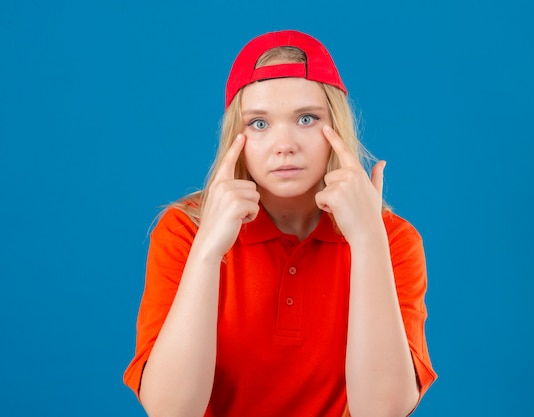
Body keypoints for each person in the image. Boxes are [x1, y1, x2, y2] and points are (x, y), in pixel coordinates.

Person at [124, 30, 436, 417]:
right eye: (258, 123)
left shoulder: (392, 240)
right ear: (234, 136)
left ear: (336, 127)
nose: (284, 143)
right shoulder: (183, 231)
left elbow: (383, 411)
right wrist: (207, 252)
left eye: (307, 119)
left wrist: (368, 240)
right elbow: (170, 410)